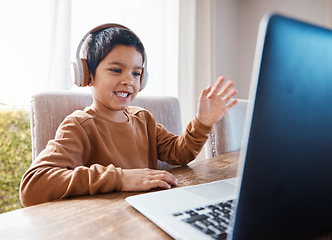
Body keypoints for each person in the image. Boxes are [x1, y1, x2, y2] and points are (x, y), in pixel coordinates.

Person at [19, 25, 237, 207]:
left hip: (151, 212)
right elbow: (33, 185)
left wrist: (202, 122)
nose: (129, 81)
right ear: (87, 75)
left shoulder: (144, 119)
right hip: (108, 223)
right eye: (116, 70)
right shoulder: (80, 126)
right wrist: (120, 177)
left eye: (136, 73)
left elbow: (180, 153)